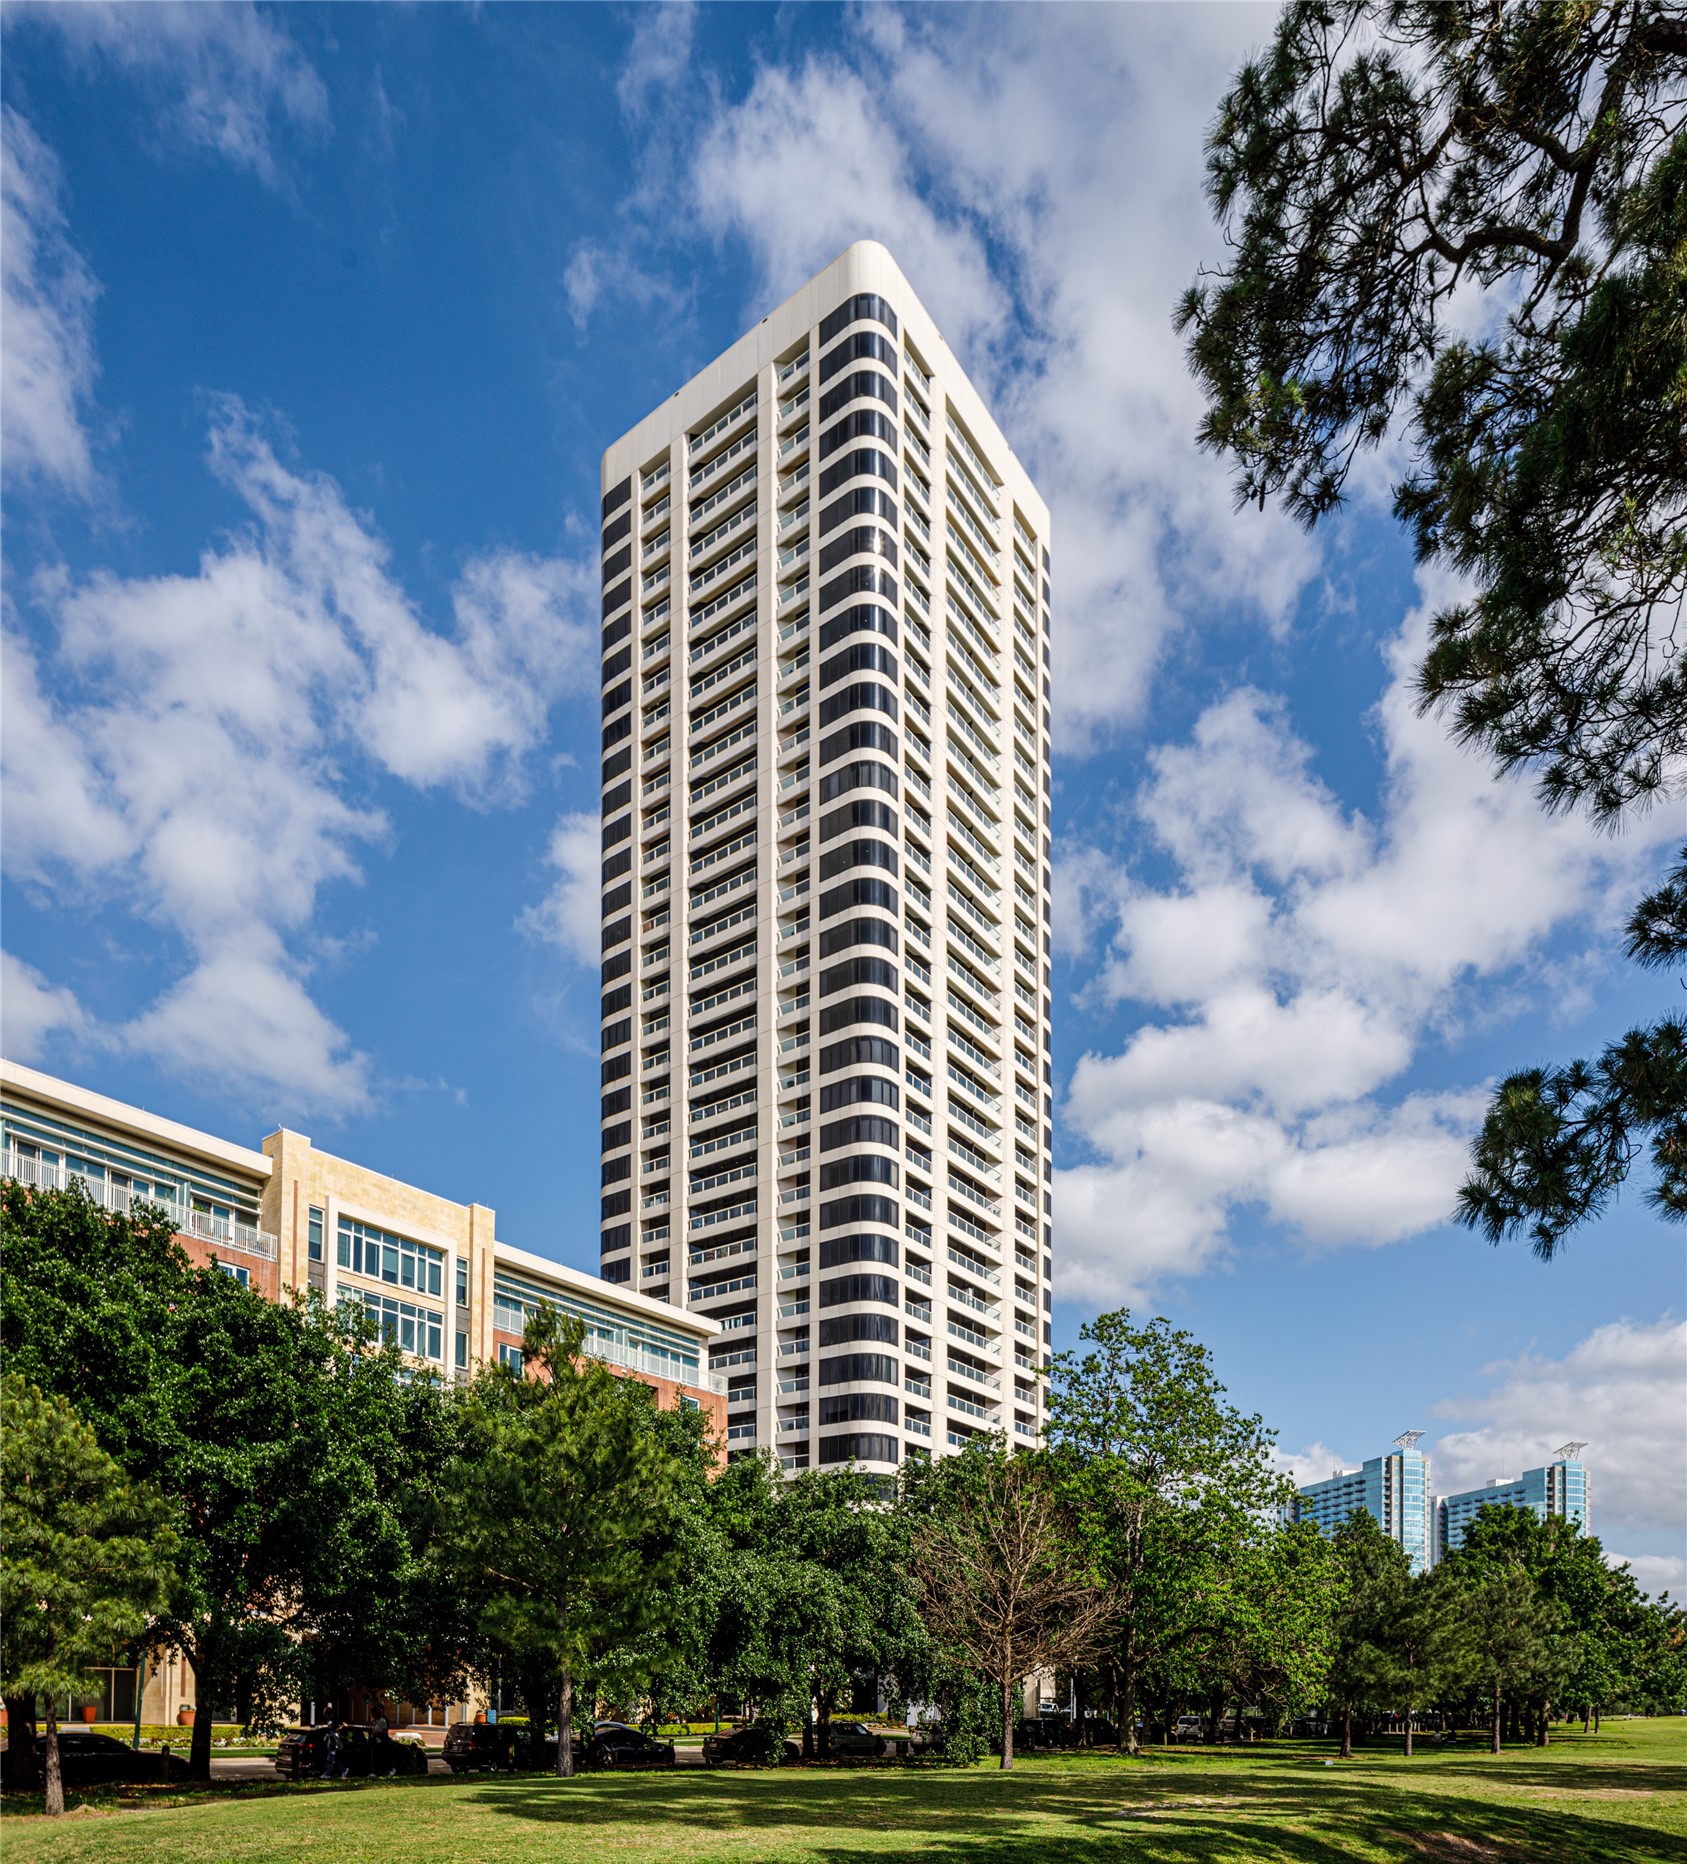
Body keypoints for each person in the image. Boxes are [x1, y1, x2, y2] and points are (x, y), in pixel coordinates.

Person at [370, 1704, 392, 1777]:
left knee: (380, 1756)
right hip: (375, 1741)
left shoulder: (382, 1720)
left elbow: (385, 1731)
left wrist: (377, 1733)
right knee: (375, 1757)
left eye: (373, 1714)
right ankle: (374, 1772)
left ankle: (390, 1768)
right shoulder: (375, 1721)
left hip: (381, 1742)